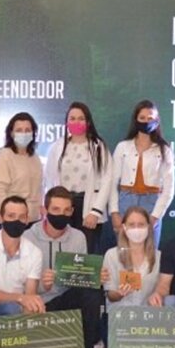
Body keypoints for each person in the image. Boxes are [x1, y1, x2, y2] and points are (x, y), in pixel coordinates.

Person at [23, 186, 104, 348]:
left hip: (65, 298)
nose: (62, 215)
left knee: (92, 291)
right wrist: (43, 284)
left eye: (67, 210)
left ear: (73, 212)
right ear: (44, 210)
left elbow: (80, 278)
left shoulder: (78, 237)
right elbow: (23, 286)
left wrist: (94, 276)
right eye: (56, 210)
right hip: (37, 303)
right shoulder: (27, 237)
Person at [44, 102, 113, 254]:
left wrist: (95, 212)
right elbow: (49, 178)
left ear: (88, 122)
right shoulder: (57, 146)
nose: (76, 122)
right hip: (63, 207)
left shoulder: (98, 147)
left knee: (86, 253)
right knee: (63, 250)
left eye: (81, 118)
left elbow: (107, 181)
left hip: (88, 207)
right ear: (67, 122)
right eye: (72, 118)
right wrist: (52, 207)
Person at [110, 99, 175, 246]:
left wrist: (155, 216)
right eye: (142, 118)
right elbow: (112, 182)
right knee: (124, 253)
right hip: (125, 202)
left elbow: (169, 189)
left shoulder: (164, 150)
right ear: (136, 120)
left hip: (152, 203)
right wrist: (114, 212)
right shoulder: (123, 147)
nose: (146, 121)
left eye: (151, 118)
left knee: (149, 254)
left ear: (157, 120)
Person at [101, 206, 160, 348]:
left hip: (148, 319)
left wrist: (158, 296)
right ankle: (109, 346)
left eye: (141, 225)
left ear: (149, 227)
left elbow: (162, 290)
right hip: (119, 318)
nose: (136, 229)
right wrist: (119, 293)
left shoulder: (159, 257)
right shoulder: (111, 255)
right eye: (132, 225)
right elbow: (110, 296)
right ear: (124, 227)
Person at [0, 196, 44, 315]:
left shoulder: (34, 253)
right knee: (11, 308)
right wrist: (19, 298)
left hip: (17, 313)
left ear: (27, 220)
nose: (16, 221)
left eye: (21, 217)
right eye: (11, 216)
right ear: (0, 218)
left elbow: (30, 297)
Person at [0, 112, 43, 225]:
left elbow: (38, 189)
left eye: (27, 130)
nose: (24, 133)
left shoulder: (35, 157)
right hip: (12, 219)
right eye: (19, 130)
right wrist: (6, 215)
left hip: (32, 219)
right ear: (11, 133)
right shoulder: (5, 155)